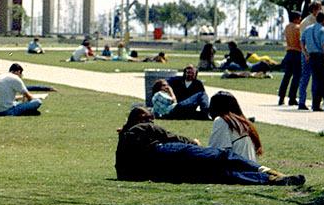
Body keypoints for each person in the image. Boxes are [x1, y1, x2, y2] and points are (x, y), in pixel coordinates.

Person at [115, 106, 301, 185]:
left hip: (164, 172)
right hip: (167, 154)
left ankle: (268, 181)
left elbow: (123, 174)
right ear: (140, 119)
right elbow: (170, 136)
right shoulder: (141, 128)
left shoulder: (123, 145)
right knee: (222, 157)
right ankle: (266, 171)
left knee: (220, 175)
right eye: (149, 118)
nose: (152, 121)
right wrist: (193, 142)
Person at [207, 92, 262, 161]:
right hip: (249, 169)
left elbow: (214, 152)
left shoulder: (221, 121)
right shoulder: (244, 122)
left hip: (237, 169)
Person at [302, 9, 324, 111]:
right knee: (323, 80)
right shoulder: (323, 30)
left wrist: (305, 53)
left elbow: (302, 41)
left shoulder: (308, 29)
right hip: (321, 56)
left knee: (315, 80)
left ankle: (316, 104)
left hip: (312, 56)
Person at [278, 9, 305, 107]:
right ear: (296, 18)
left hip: (289, 52)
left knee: (287, 76)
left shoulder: (287, 27)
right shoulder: (298, 28)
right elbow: (301, 41)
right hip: (297, 52)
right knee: (297, 76)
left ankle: (281, 97)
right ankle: (292, 97)